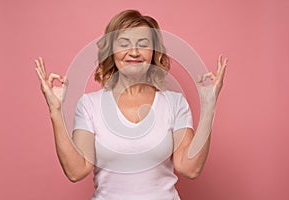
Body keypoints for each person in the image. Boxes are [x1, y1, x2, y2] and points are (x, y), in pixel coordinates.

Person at [35, 9, 227, 200]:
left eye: (142, 44)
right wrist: (56, 111)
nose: (133, 52)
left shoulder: (175, 103)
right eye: (124, 44)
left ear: (153, 52)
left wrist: (209, 107)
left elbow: (190, 168)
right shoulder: (89, 105)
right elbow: (75, 172)